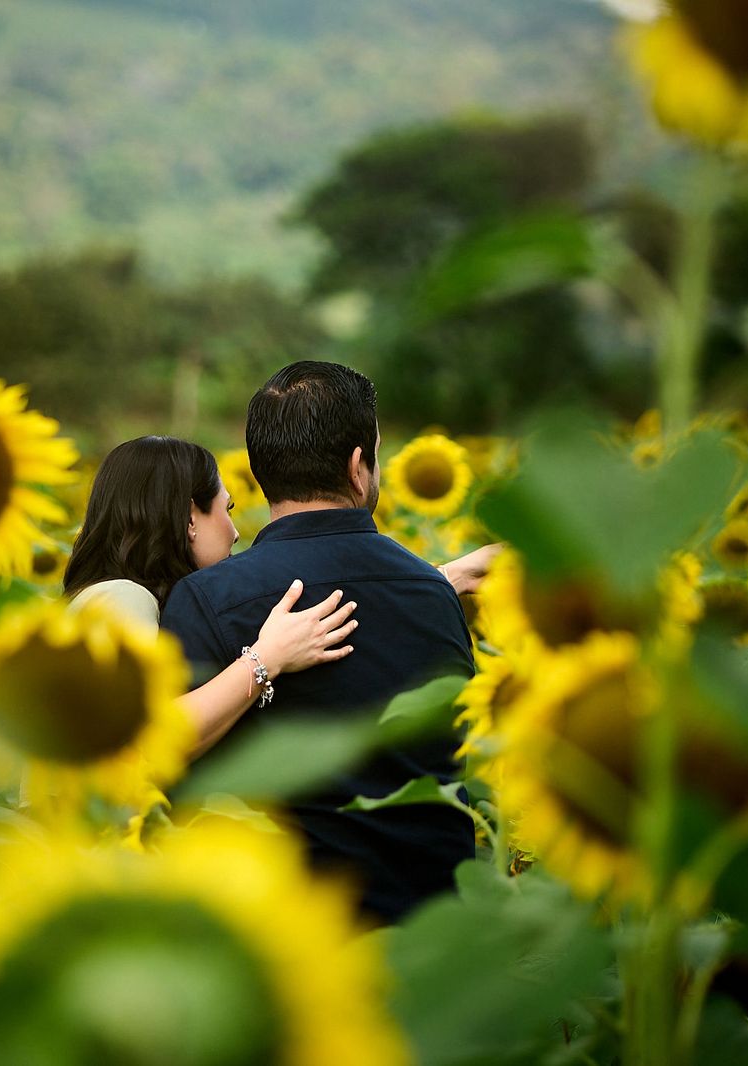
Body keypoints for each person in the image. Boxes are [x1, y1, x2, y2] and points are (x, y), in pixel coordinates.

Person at [159, 360, 492, 922]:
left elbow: (161, 766)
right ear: (359, 466)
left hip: (286, 938)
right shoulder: (434, 594)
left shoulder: (207, 600)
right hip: (432, 930)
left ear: (262, 472)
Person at [63, 436, 359, 757]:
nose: (234, 531)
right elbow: (148, 737)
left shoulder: (113, 597)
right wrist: (267, 657)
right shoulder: (121, 598)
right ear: (190, 517)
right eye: (227, 508)